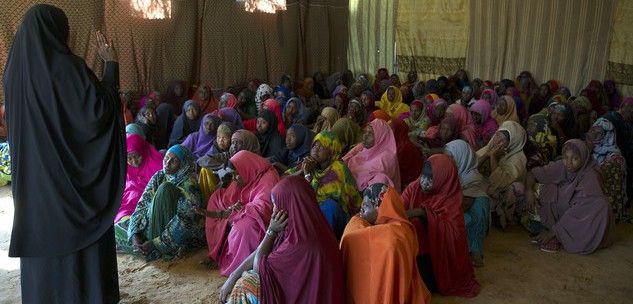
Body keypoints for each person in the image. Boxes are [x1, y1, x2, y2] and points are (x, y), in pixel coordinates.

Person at [4, 5, 125, 302]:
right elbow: (100, 115)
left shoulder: (12, 75)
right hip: (71, 193)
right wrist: (111, 66)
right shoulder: (66, 69)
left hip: (35, 193)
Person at [222, 176, 345, 304]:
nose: (274, 210)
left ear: (289, 204)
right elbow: (263, 250)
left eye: (276, 204)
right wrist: (233, 276)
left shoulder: (300, 244)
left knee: (246, 285)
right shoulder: (312, 228)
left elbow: (260, 268)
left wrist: (271, 232)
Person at [401, 155, 480, 297]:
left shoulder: (451, 199)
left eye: (431, 179)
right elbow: (400, 207)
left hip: (437, 258)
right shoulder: (415, 187)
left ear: (443, 180)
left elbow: (453, 238)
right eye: (423, 176)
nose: (424, 182)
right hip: (415, 249)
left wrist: (422, 213)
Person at [341, 184, 431, 304]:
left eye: (366, 206)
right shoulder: (358, 223)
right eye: (362, 205)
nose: (361, 210)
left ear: (380, 209)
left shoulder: (397, 235)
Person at [115, 145, 204, 261]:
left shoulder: (190, 185)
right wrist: (135, 234)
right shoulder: (160, 175)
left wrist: (154, 243)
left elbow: (184, 221)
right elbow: (142, 205)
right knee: (117, 229)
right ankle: (140, 244)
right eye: (166, 158)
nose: (167, 163)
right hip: (151, 225)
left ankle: (153, 248)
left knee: (165, 189)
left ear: (183, 163)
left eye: (174, 161)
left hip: (173, 235)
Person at [525, 140, 614, 253]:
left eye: (575, 158)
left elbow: (579, 210)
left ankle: (559, 235)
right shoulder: (562, 166)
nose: (569, 163)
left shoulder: (591, 175)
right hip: (567, 209)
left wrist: (552, 233)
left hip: (584, 217)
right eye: (565, 157)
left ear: (583, 158)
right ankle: (555, 230)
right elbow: (533, 173)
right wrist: (528, 191)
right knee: (549, 188)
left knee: (601, 205)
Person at [200, 151, 279, 276]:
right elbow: (230, 196)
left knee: (243, 227)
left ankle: (242, 266)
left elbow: (264, 207)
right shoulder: (246, 173)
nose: (235, 178)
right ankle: (218, 252)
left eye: (236, 175)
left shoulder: (269, 178)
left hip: (262, 221)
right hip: (246, 210)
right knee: (217, 199)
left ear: (246, 169)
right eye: (233, 175)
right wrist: (231, 209)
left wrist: (239, 211)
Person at [292, 131, 361, 238]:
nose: (316, 149)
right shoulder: (311, 163)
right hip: (316, 211)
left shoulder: (338, 170)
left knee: (329, 206)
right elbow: (287, 177)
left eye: (322, 146)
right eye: (314, 145)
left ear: (331, 151)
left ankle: (320, 241)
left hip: (337, 216)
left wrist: (307, 175)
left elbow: (314, 197)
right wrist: (301, 171)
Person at [444, 140, 490, 267]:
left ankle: (473, 250)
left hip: (468, 210)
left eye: (451, 158)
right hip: (461, 207)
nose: (448, 161)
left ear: (462, 158)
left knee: (466, 219)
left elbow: (463, 206)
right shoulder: (452, 171)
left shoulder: (472, 178)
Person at [476, 121, 527, 229]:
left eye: (503, 140)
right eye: (497, 136)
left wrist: (493, 157)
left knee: (517, 188)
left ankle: (503, 214)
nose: (497, 141)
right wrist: (486, 155)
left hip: (502, 192)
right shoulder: (489, 147)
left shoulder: (518, 159)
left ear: (512, 143)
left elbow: (500, 182)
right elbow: (472, 168)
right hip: (489, 188)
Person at [587, 118, 628, 222]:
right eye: (592, 132)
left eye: (598, 133)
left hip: (603, 201)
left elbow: (598, 175)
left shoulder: (614, 156)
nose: (593, 136)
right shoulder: (591, 149)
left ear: (608, 135)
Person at [116, 134, 164, 223]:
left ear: (143, 150)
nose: (134, 161)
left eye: (137, 156)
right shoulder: (124, 166)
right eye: (129, 158)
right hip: (129, 203)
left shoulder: (158, 165)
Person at [343, 119, 401, 192]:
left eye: (370, 133)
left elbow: (373, 183)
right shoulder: (367, 148)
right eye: (365, 132)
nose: (365, 136)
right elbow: (344, 160)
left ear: (380, 137)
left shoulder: (387, 158)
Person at [391, 118, 424, 187]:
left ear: (398, 130)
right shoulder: (402, 141)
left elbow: (397, 169)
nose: (390, 131)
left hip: (412, 181)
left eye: (392, 129)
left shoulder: (403, 147)